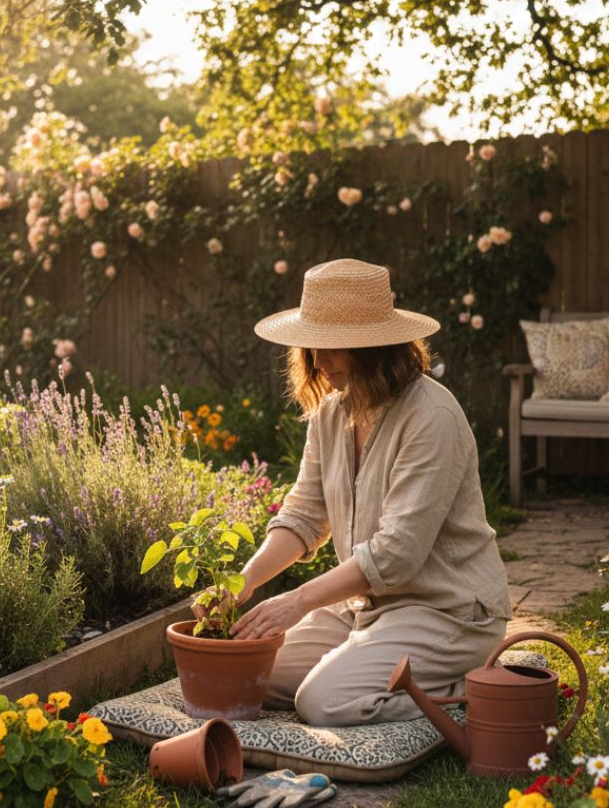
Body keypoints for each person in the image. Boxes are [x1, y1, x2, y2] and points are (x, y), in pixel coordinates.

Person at [199, 258, 511, 726]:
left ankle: (467, 689)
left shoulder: (431, 417)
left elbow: (396, 555)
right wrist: (242, 583)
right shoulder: (331, 414)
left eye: (334, 348)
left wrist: (296, 602)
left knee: (320, 702)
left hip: (447, 612)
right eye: (313, 347)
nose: (319, 363)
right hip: (366, 608)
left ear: (376, 348)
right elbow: (303, 519)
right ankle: (374, 665)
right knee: (252, 675)